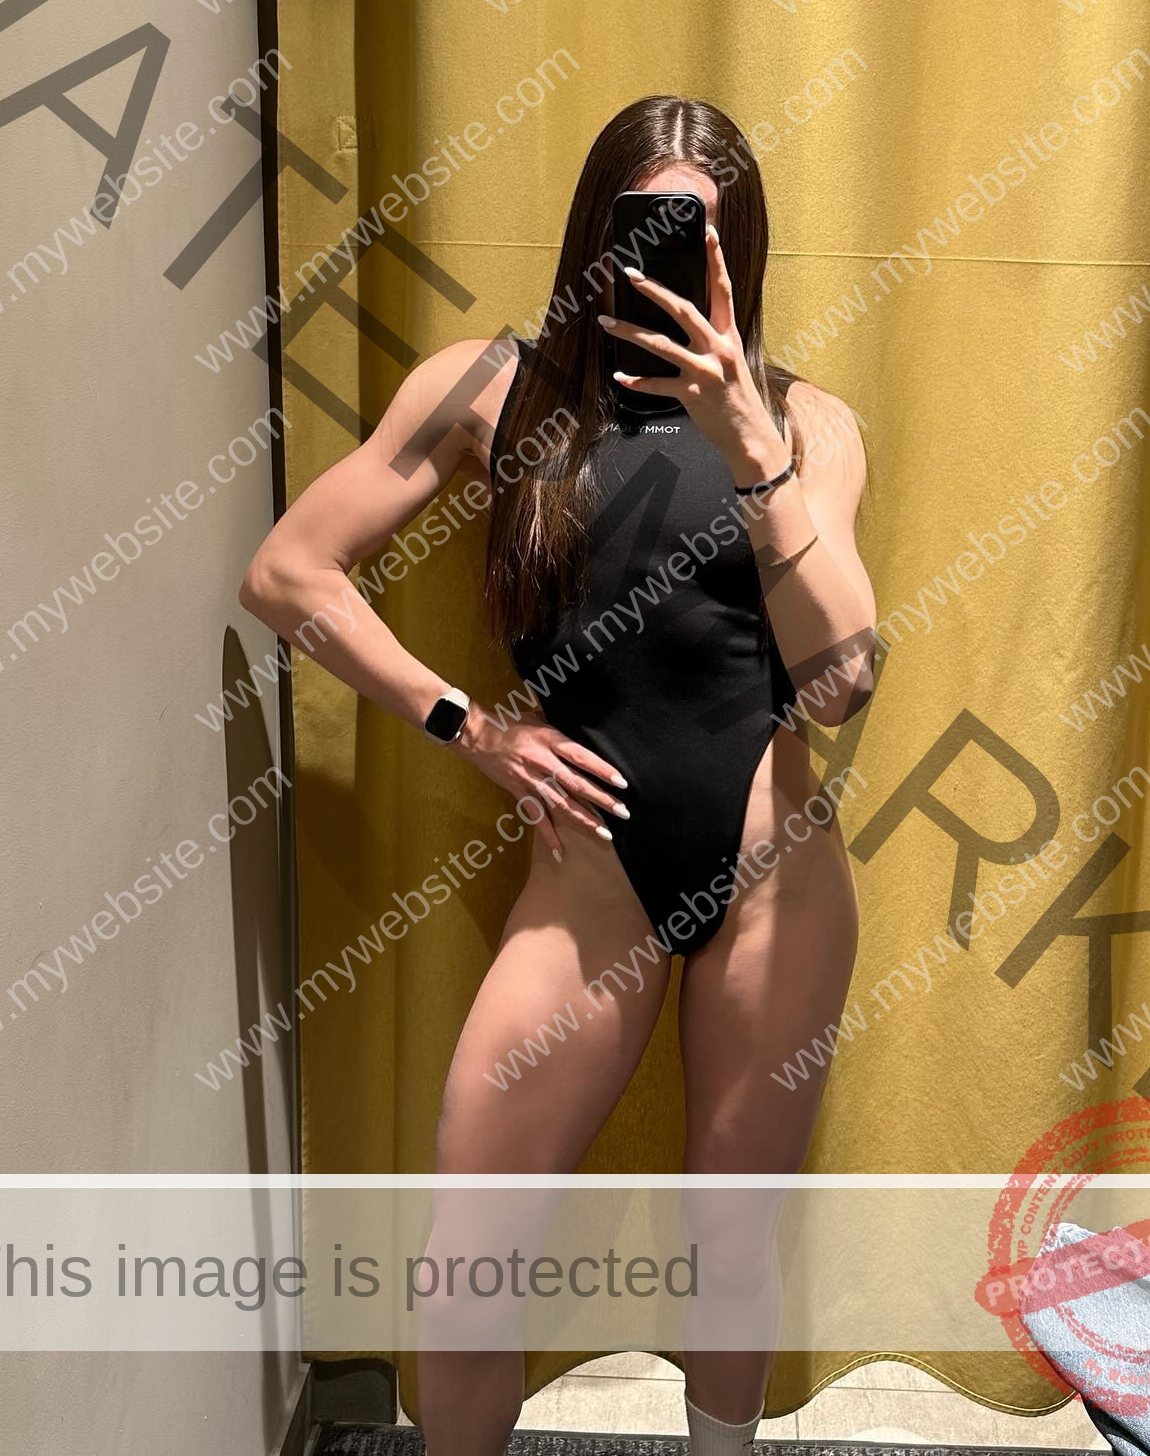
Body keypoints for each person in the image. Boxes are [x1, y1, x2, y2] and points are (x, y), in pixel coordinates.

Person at [240, 95, 878, 1456]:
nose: (667, 257)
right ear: (598, 230)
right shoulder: (492, 390)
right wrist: (468, 726)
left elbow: (844, 679)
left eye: (700, 235)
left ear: (741, 254)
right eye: (646, 226)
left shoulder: (805, 422)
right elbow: (289, 572)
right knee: (468, 1257)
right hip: (591, 882)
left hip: (775, 874)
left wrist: (750, 447)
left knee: (730, 1236)